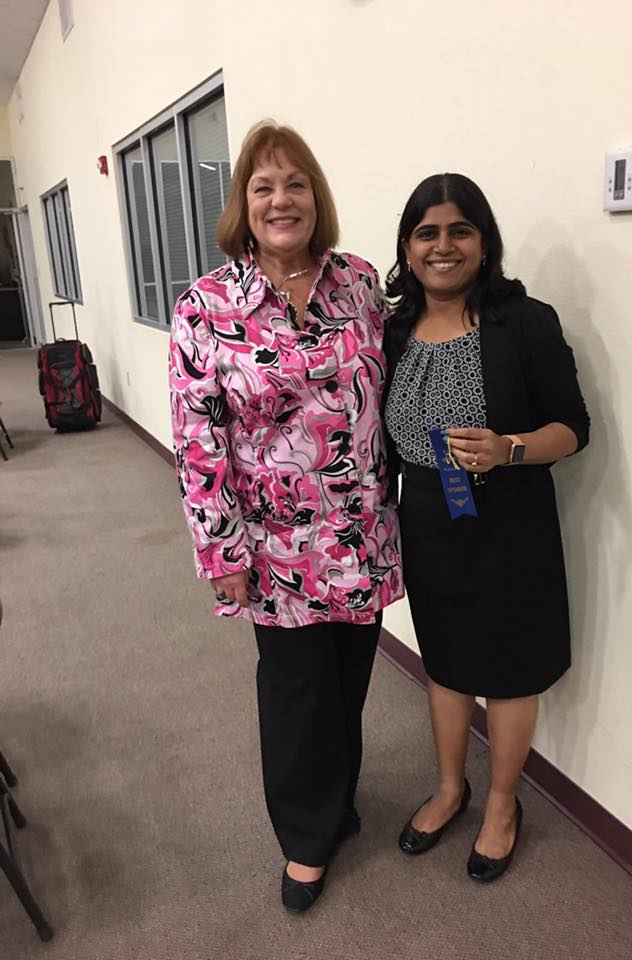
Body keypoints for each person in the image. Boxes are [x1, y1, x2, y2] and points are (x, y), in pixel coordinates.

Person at [169, 121, 403, 912]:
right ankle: (306, 837)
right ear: (243, 202)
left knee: (348, 680)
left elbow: (398, 377)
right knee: (297, 692)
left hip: (362, 531)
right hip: (275, 547)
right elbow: (198, 441)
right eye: (263, 186)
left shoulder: (359, 283)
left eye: (295, 184)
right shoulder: (206, 306)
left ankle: (335, 800)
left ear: (315, 197)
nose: (281, 200)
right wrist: (222, 552)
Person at [383, 173, 589, 883]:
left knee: (508, 672)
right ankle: (451, 789)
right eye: (427, 233)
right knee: (445, 662)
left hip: (509, 524)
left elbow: (574, 428)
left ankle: (503, 803)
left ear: (483, 241)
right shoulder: (393, 332)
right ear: (407, 248)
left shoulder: (524, 323)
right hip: (429, 521)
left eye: (459, 231)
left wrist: (509, 449)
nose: (442, 246)